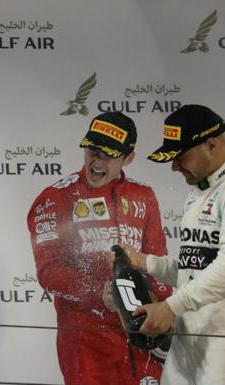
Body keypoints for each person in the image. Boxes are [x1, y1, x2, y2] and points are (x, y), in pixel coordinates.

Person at [117, 104, 225, 385]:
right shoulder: (198, 193)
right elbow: (195, 266)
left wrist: (170, 307)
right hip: (185, 338)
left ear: (211, 144)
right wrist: (146, 262)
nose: (174, 166)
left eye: (180, 156)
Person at [27, 112, 172, 385]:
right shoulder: (55, 198)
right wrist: (99, 291)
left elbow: (157, 262)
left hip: (144, 336)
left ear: (128, 158)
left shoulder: (144, 195)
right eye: (93, 151)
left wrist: (165, 315)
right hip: (86, 341)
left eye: (109, 155)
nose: (96, 162)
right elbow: (49, 272)